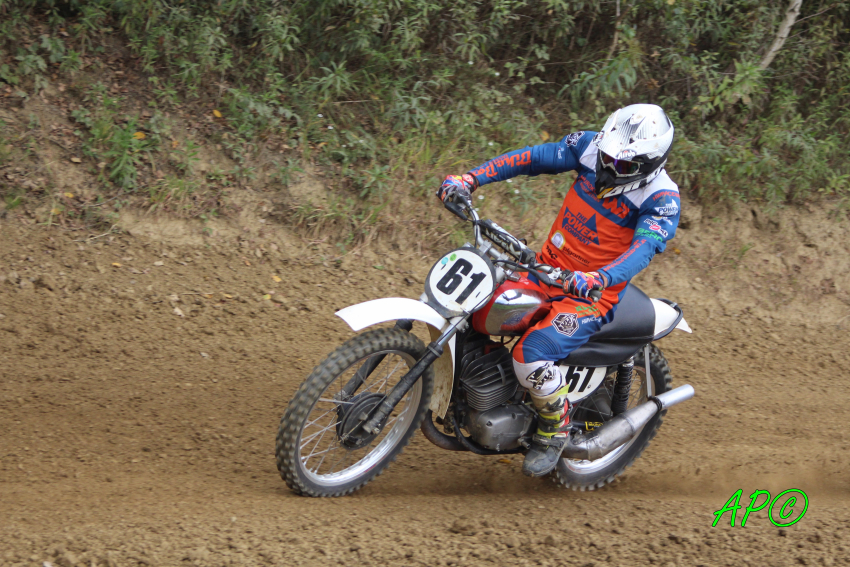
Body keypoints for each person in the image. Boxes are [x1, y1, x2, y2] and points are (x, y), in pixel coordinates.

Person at [436, 104, 681, 477]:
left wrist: (599, 278)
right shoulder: (590, 146)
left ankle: (555, 429)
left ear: (649, 163)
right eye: (607, 156)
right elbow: (534, 157)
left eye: (622, 164)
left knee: (531, 354)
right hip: (543, 270)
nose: (609, 166)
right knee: (476, 308)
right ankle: (479, 389)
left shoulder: (662, 198)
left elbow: (643, 249)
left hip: (590, 296)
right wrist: (470, 179)